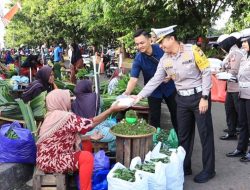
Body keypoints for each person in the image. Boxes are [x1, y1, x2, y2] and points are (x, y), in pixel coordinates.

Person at [133, 25, 215, 183]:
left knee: (205, 134)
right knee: (183, 136)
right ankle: (185, 167)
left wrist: (205, 96)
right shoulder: (165, 59)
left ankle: (209, 170)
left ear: (171, 39)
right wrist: (139, 96)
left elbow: (206, 71)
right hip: (182, 99)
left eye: (162, 42)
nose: (161, 45)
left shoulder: (193, 51)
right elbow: (155, 80)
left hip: (199, 97)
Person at [36, 89, 126, 190]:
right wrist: (111, 110)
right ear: (60, 100)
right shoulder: (65, 117)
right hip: (52, 161)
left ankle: (82, 177)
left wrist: (89, 137)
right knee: (87, 157)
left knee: (86, 144)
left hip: (44, 159)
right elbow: (90, 123)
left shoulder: (50, 116)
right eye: (67, 99)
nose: (70, 102)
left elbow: (61, 138)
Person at [123, 29, 178, 132]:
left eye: (142, 43)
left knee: (176, 115)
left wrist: (170, 76)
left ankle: (181, 143)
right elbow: (133, 79)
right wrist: (126, 94)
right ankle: (155, 143)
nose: (140, 46)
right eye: (137, 44)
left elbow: (175, 62)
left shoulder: (161, 49)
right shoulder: (138, 59)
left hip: (170, 88)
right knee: (154, 119)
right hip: (153, 91)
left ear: (149, 40)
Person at [226, 31, 250, 161]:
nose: (243, 44)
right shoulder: (245, 57)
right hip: (242, 94)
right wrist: (232, 78)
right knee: (243, 123)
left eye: (246, 41)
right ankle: (241, 149)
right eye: (243, 41)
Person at [217, 33, 245, 140]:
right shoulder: (231, 53)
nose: (221, 49)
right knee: (229, 110)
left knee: (240, 113)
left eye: (222, 46)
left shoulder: (235, 53)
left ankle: (244, 136)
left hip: (237, 87)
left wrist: (223, 73)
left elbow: (234, 71)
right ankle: (231, 131)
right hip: (231, 87)